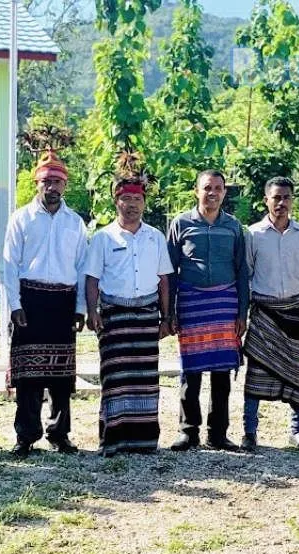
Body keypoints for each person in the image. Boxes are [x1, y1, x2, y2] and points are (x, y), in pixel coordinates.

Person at [1, 150, 88, 457]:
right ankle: (26, 435)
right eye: (46, 181)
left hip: (63, 301)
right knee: (28, 374)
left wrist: (80, 308)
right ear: (37, 183)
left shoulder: (75, 223)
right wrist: (14, 304)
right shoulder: (21, 218)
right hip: (30, 300)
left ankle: (59, 433)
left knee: (62, 374)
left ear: (65, 185)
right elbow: (9, 265)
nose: (52, 187)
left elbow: (81, 267)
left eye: (58, 182)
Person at [84, 168, 172, 457]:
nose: (132, 204)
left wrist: (166, 316)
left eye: (137, 199)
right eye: (126, 199)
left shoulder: (155, 237)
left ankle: (144, 441)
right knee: (115, 378)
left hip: (147, 315)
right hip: (114, 315)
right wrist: (92, 311)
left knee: (145, 379)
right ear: (115, 201)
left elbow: (164, 279)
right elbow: (92, 279)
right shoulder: (102, 238)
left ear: (144, 202)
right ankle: (113, 440)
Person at [167, 170, 249, 452]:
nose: (212, 193)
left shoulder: (234, 227)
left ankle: (218, 433)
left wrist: (242, 313)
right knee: (191, 370)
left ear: (224, 192)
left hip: (225, 303)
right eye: (206, 188)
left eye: (217, 188)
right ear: (196, 191)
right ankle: (188, 431)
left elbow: (242, 271)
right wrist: (170, 311)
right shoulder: (181, 224)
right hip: (192, 303)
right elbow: (169, 272)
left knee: (221, 371)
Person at [241, 177, 299, 452]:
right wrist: (245, 312)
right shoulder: (252, 234)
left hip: (294, 311)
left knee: (297, 373)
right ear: (266, 200)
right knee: (256, 371)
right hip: (264, 313)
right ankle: (249, 431)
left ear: (292, 200)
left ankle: (297, 431)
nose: (281, 203)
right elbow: (246, 274)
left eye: (286, 197)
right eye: (276, 197)